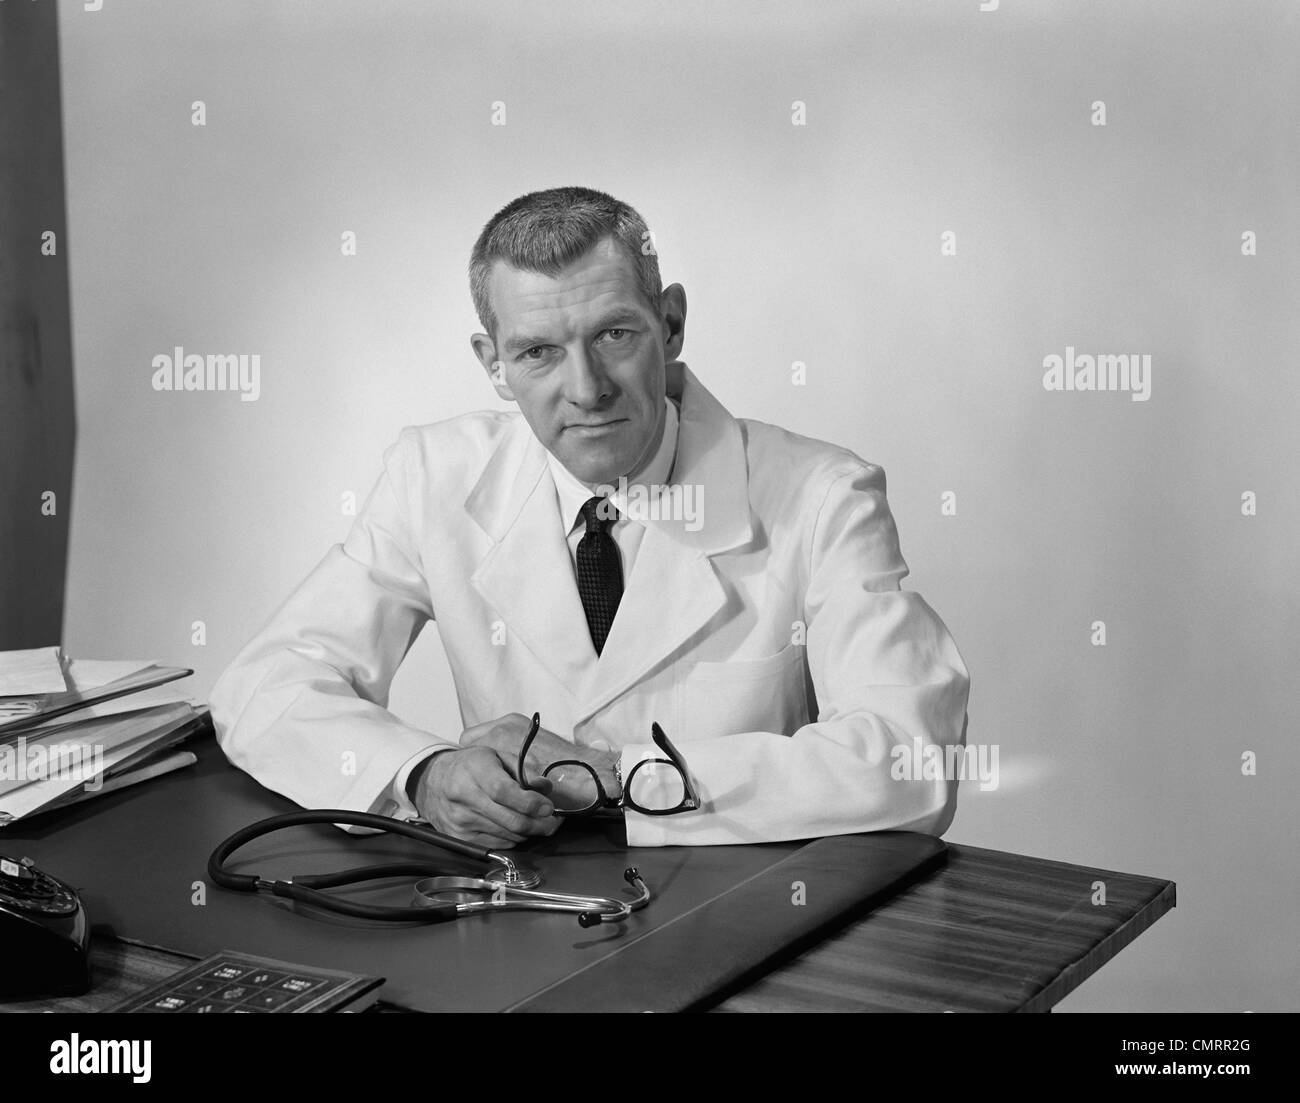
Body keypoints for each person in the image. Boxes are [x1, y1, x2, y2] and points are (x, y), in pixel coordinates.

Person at [209, 186, 971, 849]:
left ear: (669, 324)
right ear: (493, 365)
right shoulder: (431, 478)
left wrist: (612, 777)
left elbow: (912, 758)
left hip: (743, 914)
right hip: (520, 917)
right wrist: (423, 772)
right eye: (538, 351)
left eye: (614, 334)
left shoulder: (823, 495)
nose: (586, 388)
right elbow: (265, 686)